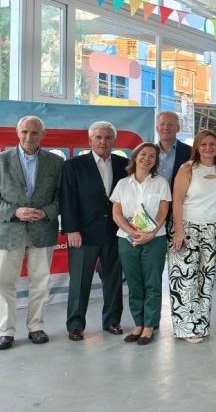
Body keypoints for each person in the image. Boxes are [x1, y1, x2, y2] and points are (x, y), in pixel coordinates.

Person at [60, 121, 127, 341]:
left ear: (114, 141)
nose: (103, 142)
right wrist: (71, 229)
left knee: (113, 281)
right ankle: (76, 325)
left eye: (108, 138)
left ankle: (112, 321)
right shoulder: (73, 165)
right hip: (83, 235)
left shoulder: (125, 164)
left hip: (115, 234)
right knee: (80, 281)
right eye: (98, 137)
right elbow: (67, 200)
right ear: (90, 141)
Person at [0, 116, 63, 349]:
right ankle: (5, 330)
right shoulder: (1, 161)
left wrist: (46, 212)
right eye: (25, 132)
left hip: (42, 230)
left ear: (43, 135)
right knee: (4, 282)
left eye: (34, 133)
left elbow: (61, 197)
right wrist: (16, 211)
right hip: (9, 231)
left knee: (40, 281)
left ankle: (36, 326)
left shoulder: (56, 163)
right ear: (17, 133)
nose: (29, 137)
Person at [169, 130, 216, 343]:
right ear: (197, 147)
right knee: (185, 281)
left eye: (212, 144)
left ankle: (201, 326)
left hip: (213, 232)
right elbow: (177, 201)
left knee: (206, 281)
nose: (208, 148)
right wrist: (179, 231)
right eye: (203, 144)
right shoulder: (188, 169)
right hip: (187, 230)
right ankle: (185, 328)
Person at [110, 142, 171, 346]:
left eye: (152, 156)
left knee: (152, 283)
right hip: (127, 240)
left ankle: (149, 325)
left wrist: (151, 233)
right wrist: (133, 232)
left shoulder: (161, 182)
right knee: (134, 283)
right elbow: (116, 213)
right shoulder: (122, 184)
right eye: (143, 154)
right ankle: (138, 323)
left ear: (155, 161)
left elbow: (163, 212)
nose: (147, 158)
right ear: (135, 157)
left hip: (155, 239)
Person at [155, 111, 191, 189]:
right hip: (151, 199)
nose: (166, 127)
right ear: (157, 128)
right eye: (162, 124)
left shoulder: (190, 152)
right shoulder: (148, 152)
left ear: (178, 128)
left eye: (170, 124)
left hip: (178, 199)